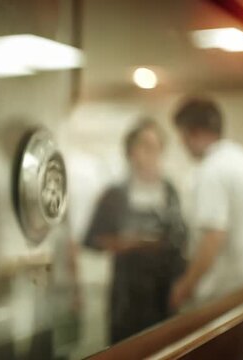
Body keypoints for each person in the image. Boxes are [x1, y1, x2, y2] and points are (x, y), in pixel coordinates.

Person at [84, 119, 187, 344]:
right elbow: (91, 239)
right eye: (145, 146)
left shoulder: (169, 191)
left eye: (157, 147)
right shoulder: (114, 195)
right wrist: (122, 243)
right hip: (127, 299)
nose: (152, 153)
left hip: (162, 295)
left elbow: (179, 237)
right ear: (130, 152)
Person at [169, 98, 243, 310]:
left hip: (222, 290)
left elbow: (213, 236)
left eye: (182, 135)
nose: (181, 143)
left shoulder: (211, 171)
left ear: (193, 132)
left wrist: (186, 285)